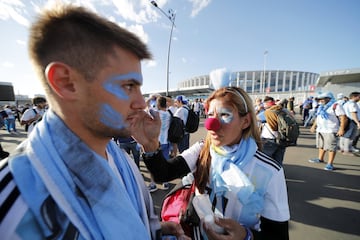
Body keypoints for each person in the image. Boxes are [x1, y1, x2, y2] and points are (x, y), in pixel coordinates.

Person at [0, 4, 188, 239]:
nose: (141, 102)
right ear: (66, 82)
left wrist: (155, 230)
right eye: (128, 86)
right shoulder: (13, 206)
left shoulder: (117, 155)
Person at [131, 87, 290, 239]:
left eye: (225, 115)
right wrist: (150, 144)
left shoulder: (269, 171)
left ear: (246, 121)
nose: (211, 124)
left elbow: (278, 235)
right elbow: (163, 173)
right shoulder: (202, 149)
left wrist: (246, 236)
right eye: (211, 115)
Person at [308, 92, 347, 171]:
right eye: (320, 99)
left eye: (323, 98)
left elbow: (343, 117)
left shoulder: (336, 106)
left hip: (331, 130)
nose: (321, 100)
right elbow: (318, 117)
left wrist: (341, 129)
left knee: (331, 147)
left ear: (329, 98)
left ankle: (330, 163)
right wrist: (314, 126)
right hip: (321, 129)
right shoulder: (321, 107)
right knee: (321, 145)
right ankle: (320, 158)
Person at [148, 96, 171, 192]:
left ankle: (153, 184)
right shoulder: (169, 114)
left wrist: (150, 98)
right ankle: (165, 182)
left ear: (157, 104)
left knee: (153, 163)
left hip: (156, 141)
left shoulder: (155, 113)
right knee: (164, 162)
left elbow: (146, 106)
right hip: (166, 141)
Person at [260, 96, 287, 164]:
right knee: (278, 161)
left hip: (269, 139)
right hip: (283, 138)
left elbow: (255, 118)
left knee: (265, 160)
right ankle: (278, 173)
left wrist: (259, 109)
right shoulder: (284, 110)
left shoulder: (267, 112)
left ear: (267, 103)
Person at [342, 92, 360, 156]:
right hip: (352, 121)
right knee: (349, 136)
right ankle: (346, 150)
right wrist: (358, 122)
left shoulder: (347, 103)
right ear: (354, 97)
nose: (359, 98)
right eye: (359, 96)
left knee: (345, 135)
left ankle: (343, 148)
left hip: (348, 120)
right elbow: (353, 114)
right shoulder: (352, 104)